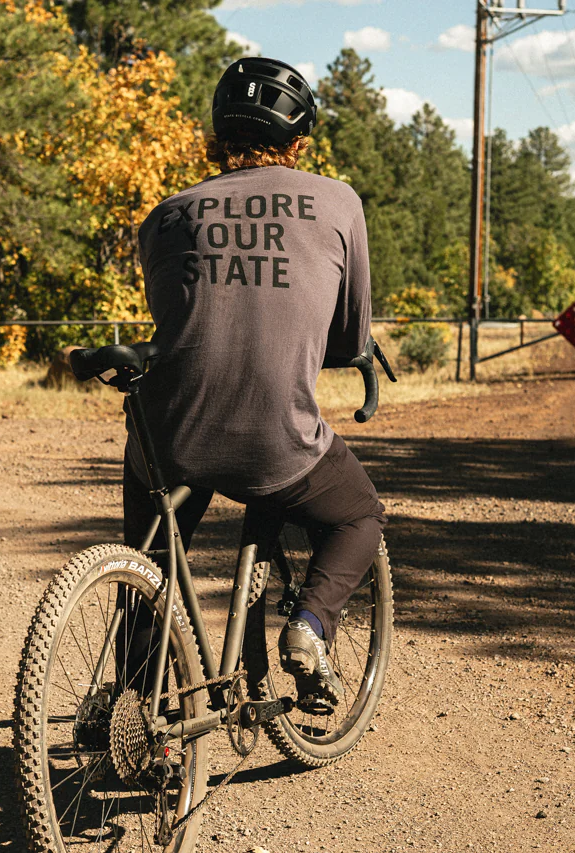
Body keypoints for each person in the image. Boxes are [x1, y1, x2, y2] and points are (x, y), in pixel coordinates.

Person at [123, 56, 385, 715]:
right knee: (359, 514)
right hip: (275, 439)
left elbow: (179, 318)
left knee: (150, 560)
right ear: (298, 142)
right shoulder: (338, 202)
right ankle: (310, 625)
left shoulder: (165, 215)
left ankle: (134, 699)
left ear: (218, 136)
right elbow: (348, 336)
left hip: (170, 432)